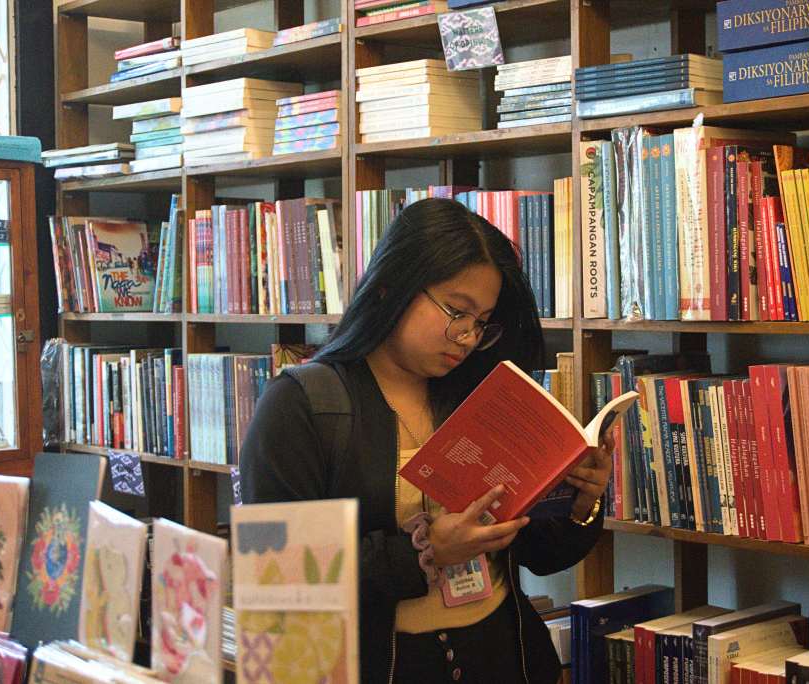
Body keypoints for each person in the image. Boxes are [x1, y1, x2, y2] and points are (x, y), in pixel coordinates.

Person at [241, 198, 613, 684]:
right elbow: (276, 579)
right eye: (456, 311)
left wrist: (581, 501)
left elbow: (540, 556)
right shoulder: (304, 403)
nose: (465, 336)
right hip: (382, 664)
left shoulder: (484, 397)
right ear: (392, 287)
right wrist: (424, 552)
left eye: (481, 322)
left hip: (505, 655)